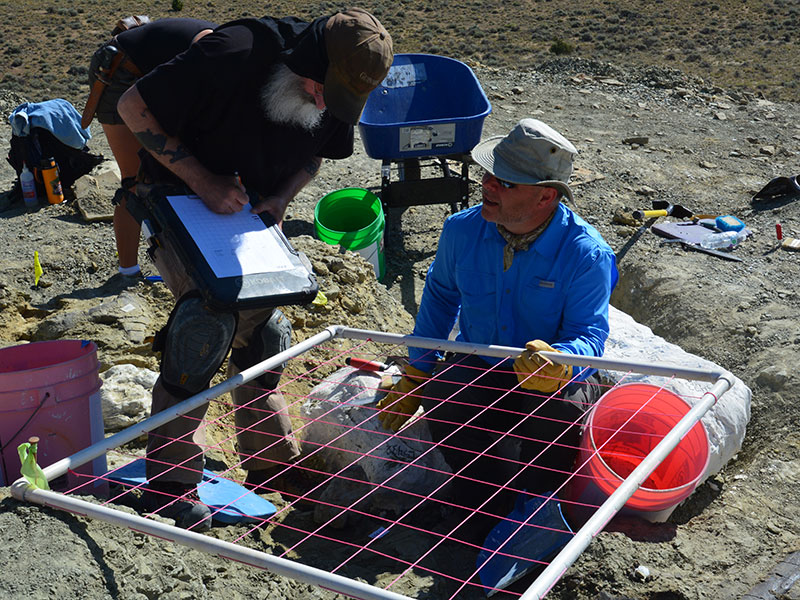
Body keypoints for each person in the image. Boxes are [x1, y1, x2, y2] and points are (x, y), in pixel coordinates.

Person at [116, 8, 393, 530]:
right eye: (316, 88)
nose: (319, 102)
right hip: (178, 200)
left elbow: (315, 156)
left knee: (268, 331)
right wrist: (202, 179)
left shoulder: (334, 85)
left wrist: (283, 197)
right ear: (306, 61)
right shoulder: (238, 50)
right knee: (210, 321)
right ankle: (168, 482)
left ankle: (268, 460)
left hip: (251, 217)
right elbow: (133, 107)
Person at [376, 118, 617, 542]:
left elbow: (589, 334)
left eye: (505, 183)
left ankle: (537, 507)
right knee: (443, 398)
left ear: (546, 195)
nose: (487, 185)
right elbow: (440, 298)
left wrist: (560, 362)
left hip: (546, 374)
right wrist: (418, 368)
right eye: (490, 174)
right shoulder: (461, 231)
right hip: (479, 358)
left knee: (560, 418)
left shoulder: (586, 254)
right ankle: (481, 498)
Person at [84, 16, 217, 278]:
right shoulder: (226, 61)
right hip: (119, 71)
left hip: (154, 74)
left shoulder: (236, 60)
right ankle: (128, 273)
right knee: (135, 179)